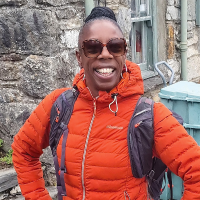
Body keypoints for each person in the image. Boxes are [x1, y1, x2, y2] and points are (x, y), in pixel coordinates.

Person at [12, 6, 200, 200]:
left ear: (124, 53)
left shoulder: (147, 115)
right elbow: (23, 150)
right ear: (79, 57)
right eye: (92, 48)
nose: (105, 54)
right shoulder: (59, 104)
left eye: (115, 46)